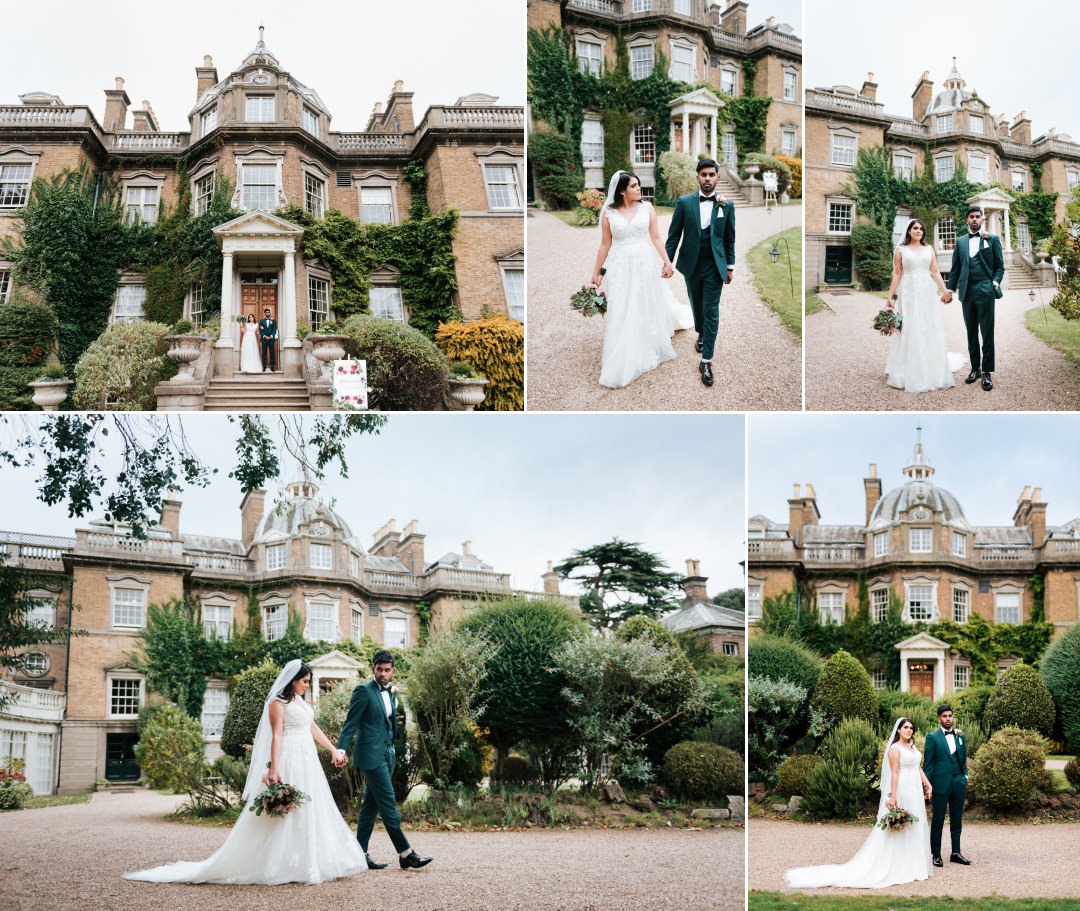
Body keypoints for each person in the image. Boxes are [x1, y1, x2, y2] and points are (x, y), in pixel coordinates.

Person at [124, 660, 368, 885]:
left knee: (311, 807)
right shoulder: (277, 702)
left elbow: (312, 727)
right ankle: (277, 862)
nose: (307, 685)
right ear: (293, 679)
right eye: (305, 681)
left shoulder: (299, 702)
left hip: (308, 761)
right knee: (287, 809)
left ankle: (309, 860)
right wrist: (274, 767)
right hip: (290, 760)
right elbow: (277, 735)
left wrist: (334, 750)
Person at [784, 717, 933, 889]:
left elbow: (917, 767)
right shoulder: (895, 749)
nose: (909, 730)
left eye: (911, 728)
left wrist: (928, 784)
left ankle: (914, 865)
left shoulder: (912, 747)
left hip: (915, 791)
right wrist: (892, 796)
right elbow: (894, 773)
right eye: (906, 727)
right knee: (900, 826)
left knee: (915, 825)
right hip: (903, 790)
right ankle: (897, 866)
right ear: (898, 730)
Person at [590, 170, 693, 389]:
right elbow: (605, 244)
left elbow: (656, 237)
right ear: (622, 191)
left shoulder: (647, 208)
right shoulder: (608, 213)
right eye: (634, 186)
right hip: (620, 265)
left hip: (644, 262)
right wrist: (596, 273)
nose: (639, 189)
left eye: (638, 185)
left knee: (645, 301)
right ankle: (623, 346)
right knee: (622, 304)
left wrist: (667, 262)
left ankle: (647, 339)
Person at [335, 650, 432, 870]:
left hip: (388, 755)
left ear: (392, 671)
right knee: (389, 805)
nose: (383, 674)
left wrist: (393, 751)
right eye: (379, 669)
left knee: (370, 807)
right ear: (373, 669)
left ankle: (359, 854)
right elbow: (350, 723)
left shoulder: (391, 693)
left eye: (387, 670)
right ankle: (406, 853)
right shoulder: (363, 691)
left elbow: (390, 724)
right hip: (371, 756)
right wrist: (341, 749)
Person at [665, 158, 736, 388]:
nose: (707, 178)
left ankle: (706, 361)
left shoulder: (727, 204)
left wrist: (730, 266)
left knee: (711, 310)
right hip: (692, 264)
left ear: (717, 177)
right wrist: (667, 262)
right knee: (696, 303)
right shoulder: (684, 202)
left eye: (711, 175)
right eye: (703, 175)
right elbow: (674, 235)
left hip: (715, 266)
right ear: (698, 177)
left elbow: (729, 238)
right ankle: (701, 333)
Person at [884, 219, 964, 392]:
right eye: (915, 228)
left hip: (927, 291)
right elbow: (897, 274)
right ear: (909, 231)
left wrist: (946, 291)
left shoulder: (929, 249)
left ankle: (931, 367)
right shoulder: (900, 250)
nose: (918, 231)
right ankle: (908, 368)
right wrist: (890, 297)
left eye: (921, 228)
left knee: (928, 325)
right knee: (910, 326)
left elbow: (934, 271)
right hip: (908, 292)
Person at [944, 204, 1004, 391]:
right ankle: (975, 368)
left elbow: (999, 267)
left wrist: (994, 283)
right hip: (967, 291)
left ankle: (987, 371)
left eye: (978, 216)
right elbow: (955, 269)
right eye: (971, 217)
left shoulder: (992, 239)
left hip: (985, 289)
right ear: (967, 220)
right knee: (971, 331)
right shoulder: (961, 241)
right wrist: (950, 290)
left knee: (987, 331)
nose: (975, 219)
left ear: (982, 219)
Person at [923, 703, 972, 867]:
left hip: (958, 783)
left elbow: (962, 759)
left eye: (950, 716)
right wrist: (927, 786)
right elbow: (928, 764)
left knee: (957, 819)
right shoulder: (932, 737)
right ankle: (935, 854)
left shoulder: (960, 736)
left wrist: (965, 775)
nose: (948, 719)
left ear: (953, 717)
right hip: (940, 784)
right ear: (939, 719)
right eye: (944, 716)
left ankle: (956, 852)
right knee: (937, 820)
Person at [258, 307, 278, 372]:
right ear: (265, 313)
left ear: (270, 313)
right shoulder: (261, 321)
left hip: (271, 339)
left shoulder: (273, 321)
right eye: (266, 312)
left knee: (272, 353)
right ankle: (264, 367)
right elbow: (260, 330)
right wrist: (264, 336)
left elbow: (274, 329)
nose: (267, 313)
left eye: (268, 312)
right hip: (264, 339)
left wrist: (271, 336)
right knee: (264, 353)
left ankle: (272, 367)